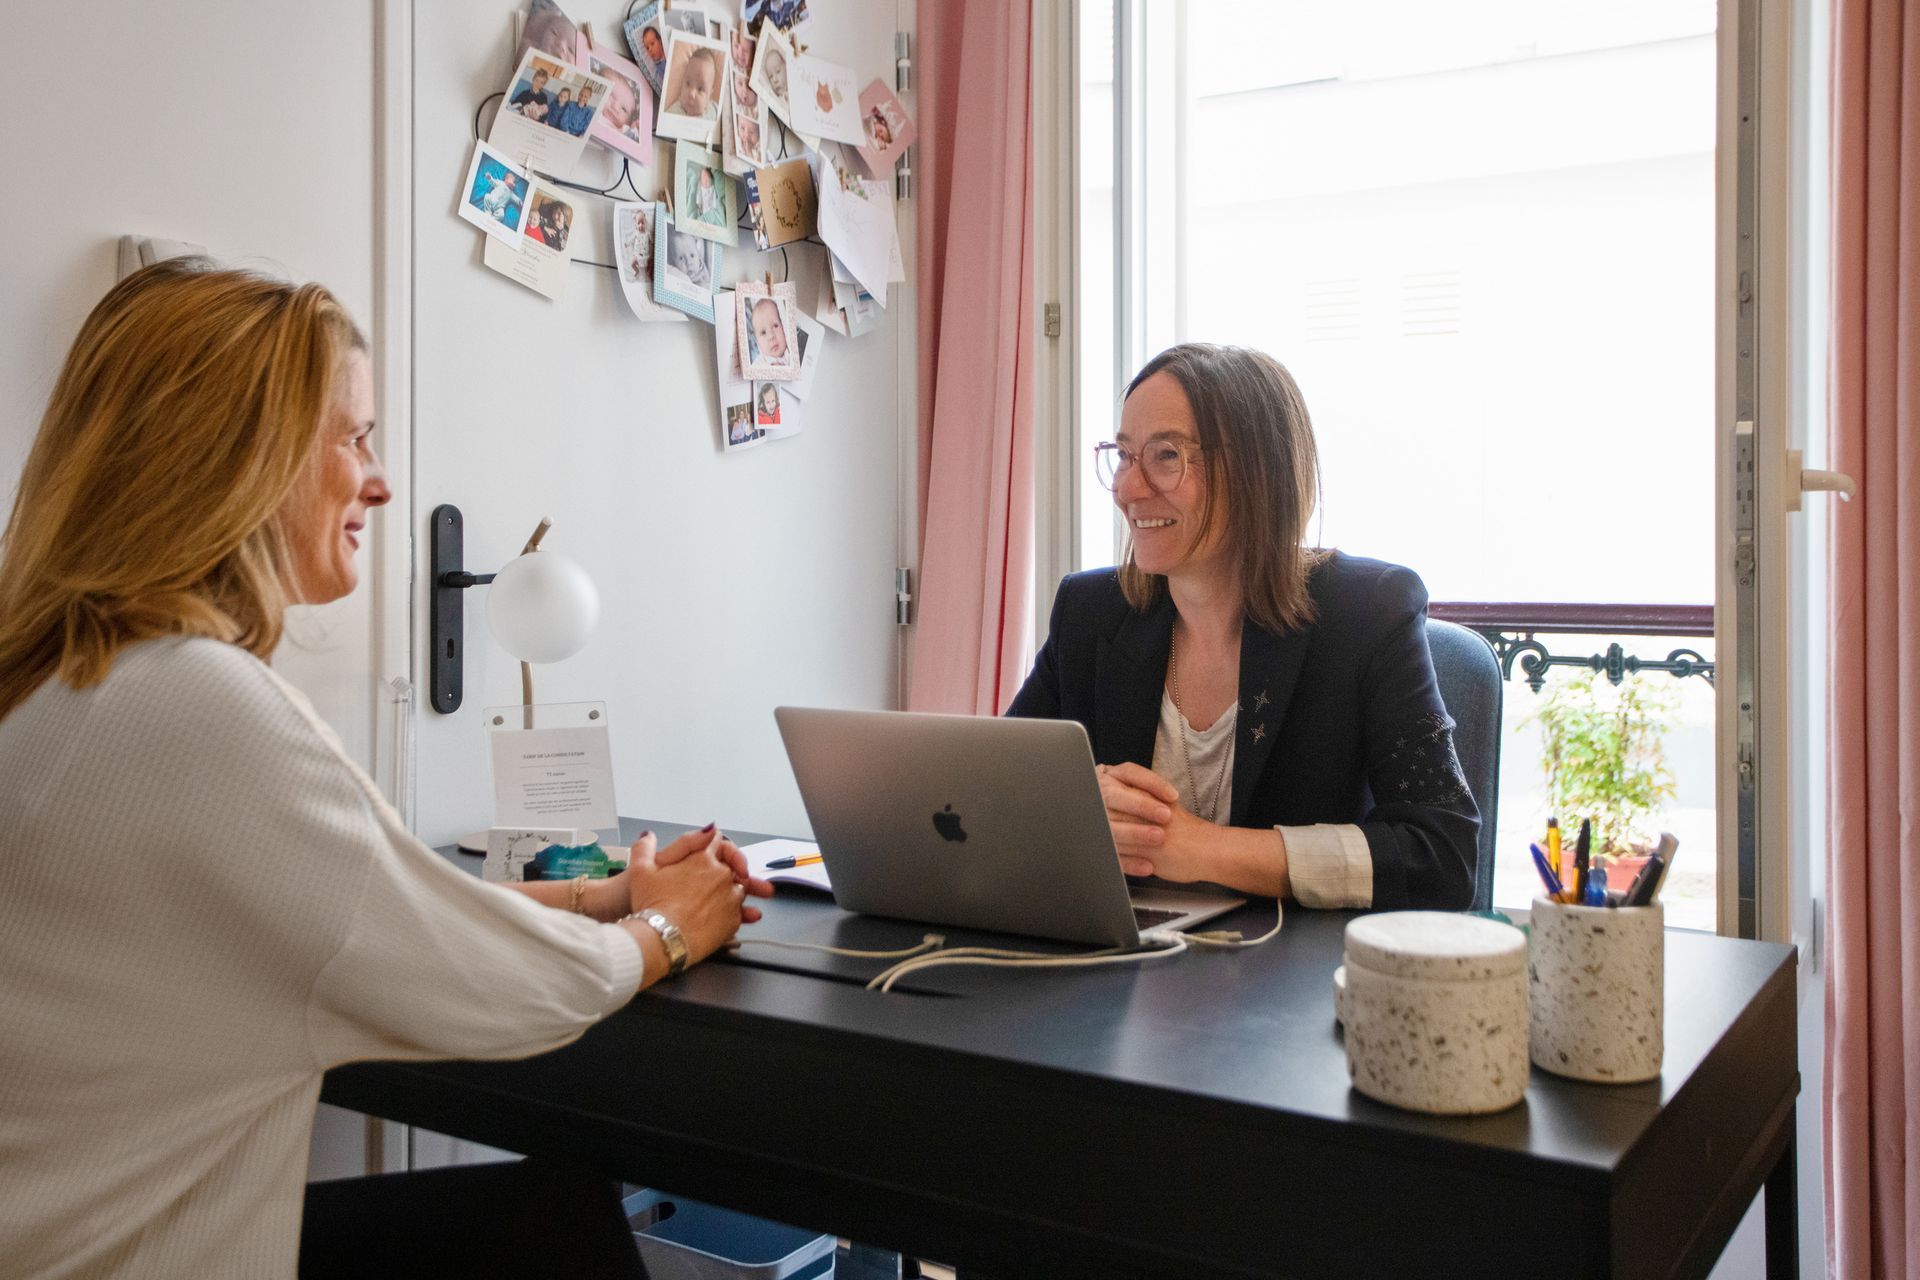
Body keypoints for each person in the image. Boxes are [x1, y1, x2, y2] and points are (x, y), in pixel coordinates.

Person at [0, 260, 774, 1277]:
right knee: (552, 1223)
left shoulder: (63, 686)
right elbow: (496, 984)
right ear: (241, 452)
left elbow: (380, 910)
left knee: (532, 1214)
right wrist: (670, 929)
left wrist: (615, 888)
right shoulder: (199, 704)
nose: (382, 479)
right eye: (355, 436)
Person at [1006, 343, 1478, 911]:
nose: (1127, 488)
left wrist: (1199, 849)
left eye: (1166, 456)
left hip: (1288, 978)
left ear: (1257, 473)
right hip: (1116, 965)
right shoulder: (1088, 612)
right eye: (1125, 455)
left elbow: (1442, 858)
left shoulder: (1368, 613)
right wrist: (1075, 808)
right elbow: (995, 797)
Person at [667, 46, 721, 120]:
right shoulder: (674, 111)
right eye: (688, 83)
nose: (691, 94)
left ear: (709, 96)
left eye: (700, 89)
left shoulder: (714, 110)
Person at [668, 224, 710, 291]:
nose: (688, 262)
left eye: (692, 255)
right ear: (673, 261)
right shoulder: (677, 276)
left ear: (698, 255)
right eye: (681, 258)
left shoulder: (703, 271)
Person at [748, 296, 789, 364]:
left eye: (775, 326)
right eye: (763, 332)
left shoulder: (790, 355)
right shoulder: (760, 362)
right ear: (757, 342)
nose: (771, 336)